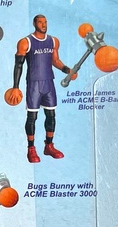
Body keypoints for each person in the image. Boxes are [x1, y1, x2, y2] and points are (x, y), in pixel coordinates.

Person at [5, 15, 76, 163]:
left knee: (51, 115)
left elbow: (55, 60)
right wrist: (15, 87)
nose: (44, 25)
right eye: (40, 22)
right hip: (34, 84)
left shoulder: (53, 41)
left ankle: (49, 146)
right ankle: (31, 148)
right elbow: (18, 65)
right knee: (32, 117)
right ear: (34, 24)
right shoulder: (26, 42)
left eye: (45, 22)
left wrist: (67, 70)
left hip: (48, 82)